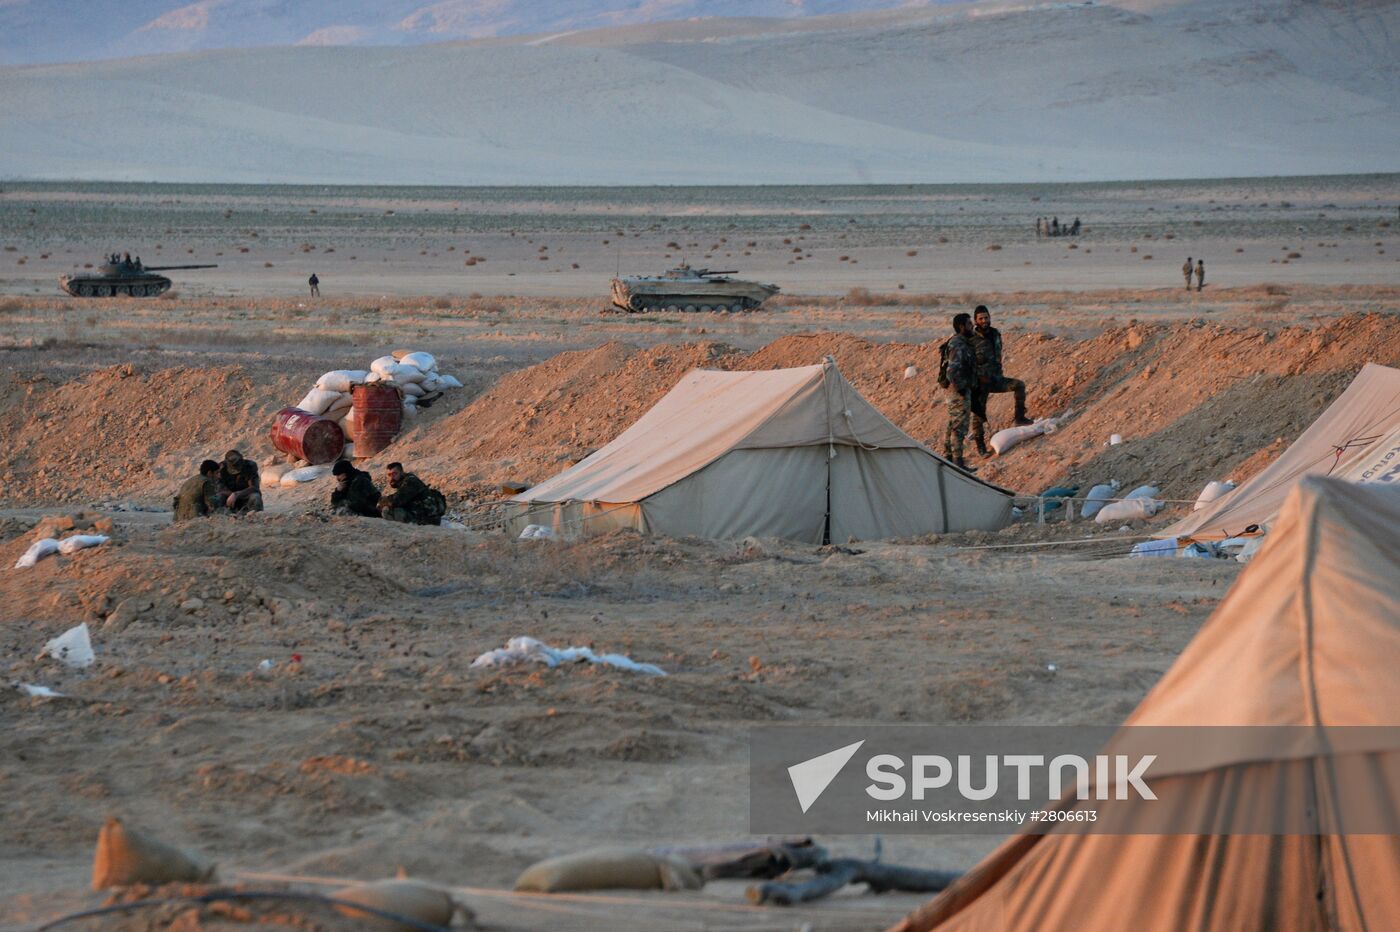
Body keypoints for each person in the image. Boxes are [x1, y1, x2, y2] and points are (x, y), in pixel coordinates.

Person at [969, 305, 1032, 457]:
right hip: (980, 383)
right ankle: (981, 447)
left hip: (996, 379)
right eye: (981, 318)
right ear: (975, 321)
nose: (984, 320)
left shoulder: (996, 334)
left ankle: (1019, 418)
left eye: (986, 317)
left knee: (1018, 385)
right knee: (979, 414)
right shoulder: (970, 339)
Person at [938, 313, 983, 471]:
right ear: (962, 327)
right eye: (970, 324)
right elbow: (952, 371)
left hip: (956, 391)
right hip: (958, 392)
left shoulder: (960, 342)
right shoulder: (959, 344)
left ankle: (949, 459)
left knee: (952, 425)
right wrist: (962, 388)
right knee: (959, 427)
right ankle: (958, 464)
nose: (973, 327)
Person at [379, 462, 447, 525]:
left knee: (388, 511)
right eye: (389, 475)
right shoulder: (403, 482)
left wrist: (381, 502)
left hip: (428, 520)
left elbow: (396, 500)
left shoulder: (410, 481)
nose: (392, 477)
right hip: (421, 515)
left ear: (402, 472)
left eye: (395, 473)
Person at [217, 449, 263, 514]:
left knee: (256, 497)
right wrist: (232, 495)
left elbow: (254, 488)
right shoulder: (220, 468)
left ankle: (257, 517)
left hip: (245, 497)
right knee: (218, 497)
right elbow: (219, 489)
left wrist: (236, 494)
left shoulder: (250, 466)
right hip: (229, 500)